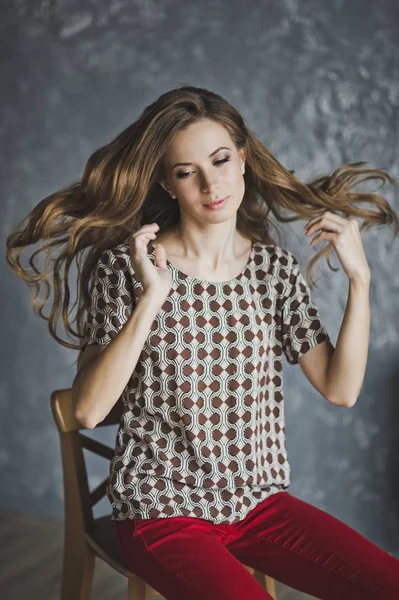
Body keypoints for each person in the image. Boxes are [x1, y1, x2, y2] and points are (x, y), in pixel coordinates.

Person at [5, 86, 399, 600]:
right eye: (187, 172)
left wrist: (361, 281)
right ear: (168, 185)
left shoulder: (274, 271)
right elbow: (88, 410)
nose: (210, 184)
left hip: (259, 505)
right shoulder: (128, 268)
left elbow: (340, 388)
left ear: (243, 159)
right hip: (161, 510)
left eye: (219, 161)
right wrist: (152, 297)